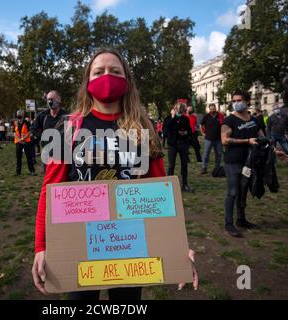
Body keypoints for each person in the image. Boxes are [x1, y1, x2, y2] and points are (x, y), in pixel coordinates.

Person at [31, 48, 198, 299]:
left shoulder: (144, 128)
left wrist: (177, 246)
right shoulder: (67, 127)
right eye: (98, 72)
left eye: (115, 71)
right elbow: (49, 190)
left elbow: (162, 195)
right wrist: (41, 246)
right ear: (88, 82)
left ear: (127, 80)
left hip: (130, 244)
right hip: (78, 243)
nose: (106, 76)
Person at [32, 90, 67, 173]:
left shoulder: (66, 116)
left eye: (52, 99)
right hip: (47, 154)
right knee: (49, 181)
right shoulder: (42, 116)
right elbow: (33, 129)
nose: (50, 101)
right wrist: (42, 137)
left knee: (63, 180)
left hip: (63, 155)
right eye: (48, 99)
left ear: (59, 100)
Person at [165, 103, 194, 193]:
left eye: (181, 109)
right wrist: (173, 117)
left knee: (184, 165)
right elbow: (166, 128)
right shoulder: (169, 118)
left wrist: (186, 133)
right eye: (177, 109)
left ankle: (184, 184)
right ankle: (168, 185)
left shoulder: (185, 119)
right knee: (171, 165)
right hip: (173, 145)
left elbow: (189, 130)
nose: (179, 110)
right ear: (174, 109)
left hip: (183, 143)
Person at [200, 103, 224, 174]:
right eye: (211, 109)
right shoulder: (206, 116)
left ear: (215, 108)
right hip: (208, 139)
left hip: (218, 139)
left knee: (219, 154)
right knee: (206, 154)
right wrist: (202, 133)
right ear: (209, 109)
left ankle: (217, 168)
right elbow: (201, 124)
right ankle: (204, 168)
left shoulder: (220, 116)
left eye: (213, 109)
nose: (212, 110)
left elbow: (223, 125)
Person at [14, 110, 36, 176]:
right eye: (18, 114)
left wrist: (23, 139)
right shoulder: (15, 123)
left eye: (20, 114)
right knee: (18, 158)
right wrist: (19, 140)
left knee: (29, 157)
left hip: (26, 142)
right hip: (18, 142)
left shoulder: (27, 122)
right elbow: (14, 133)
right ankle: (18, 172)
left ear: (23, 115)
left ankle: (32, 171)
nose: (19, 115)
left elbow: (30, 132)